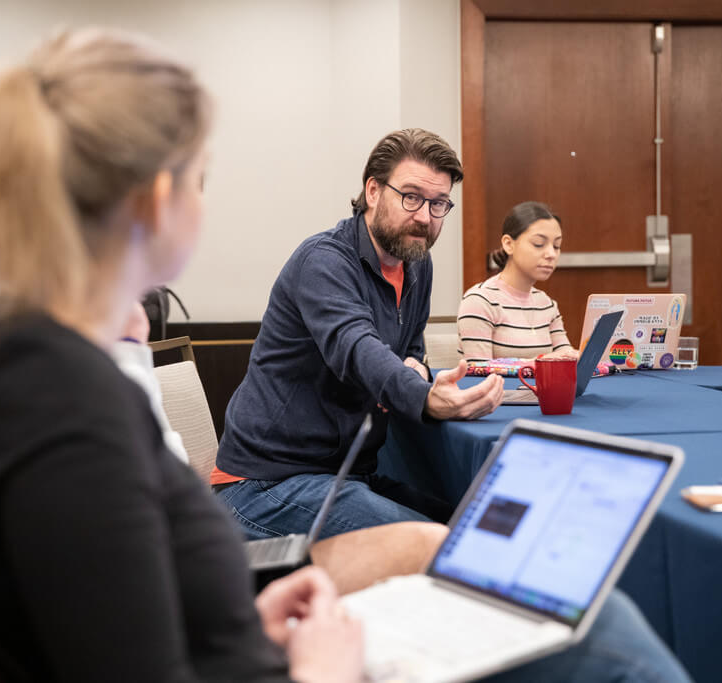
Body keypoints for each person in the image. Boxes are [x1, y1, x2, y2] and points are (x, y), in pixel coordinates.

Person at [0, 27, 365, 680]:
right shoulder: (63, 401)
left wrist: (232, 627)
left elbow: (98, 621)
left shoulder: (8, 354)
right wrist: (325, 672)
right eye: (200, 176)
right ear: (156, 197)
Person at [214, 128, 505, 539]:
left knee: (477, 526)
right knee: (441, 546)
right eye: (411, 197)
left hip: (348, 475)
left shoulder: (417, 263)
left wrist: (416, 370)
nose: (424, 216)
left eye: (439, 204)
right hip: (266, 484)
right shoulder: (324, 261)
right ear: (373, 190)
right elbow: (357, 349)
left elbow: (410, 350)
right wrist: (423, 395)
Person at [457, 201, 580, 362]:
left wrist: (578, 356)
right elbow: (478, 370)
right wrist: (540, 362)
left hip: (540, 388)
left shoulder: (546, 304)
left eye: (556, 246)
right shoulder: (480, 301)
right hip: (496, 388)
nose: (551, 254)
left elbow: (564, 356)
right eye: (539, 244)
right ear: (508, 244)